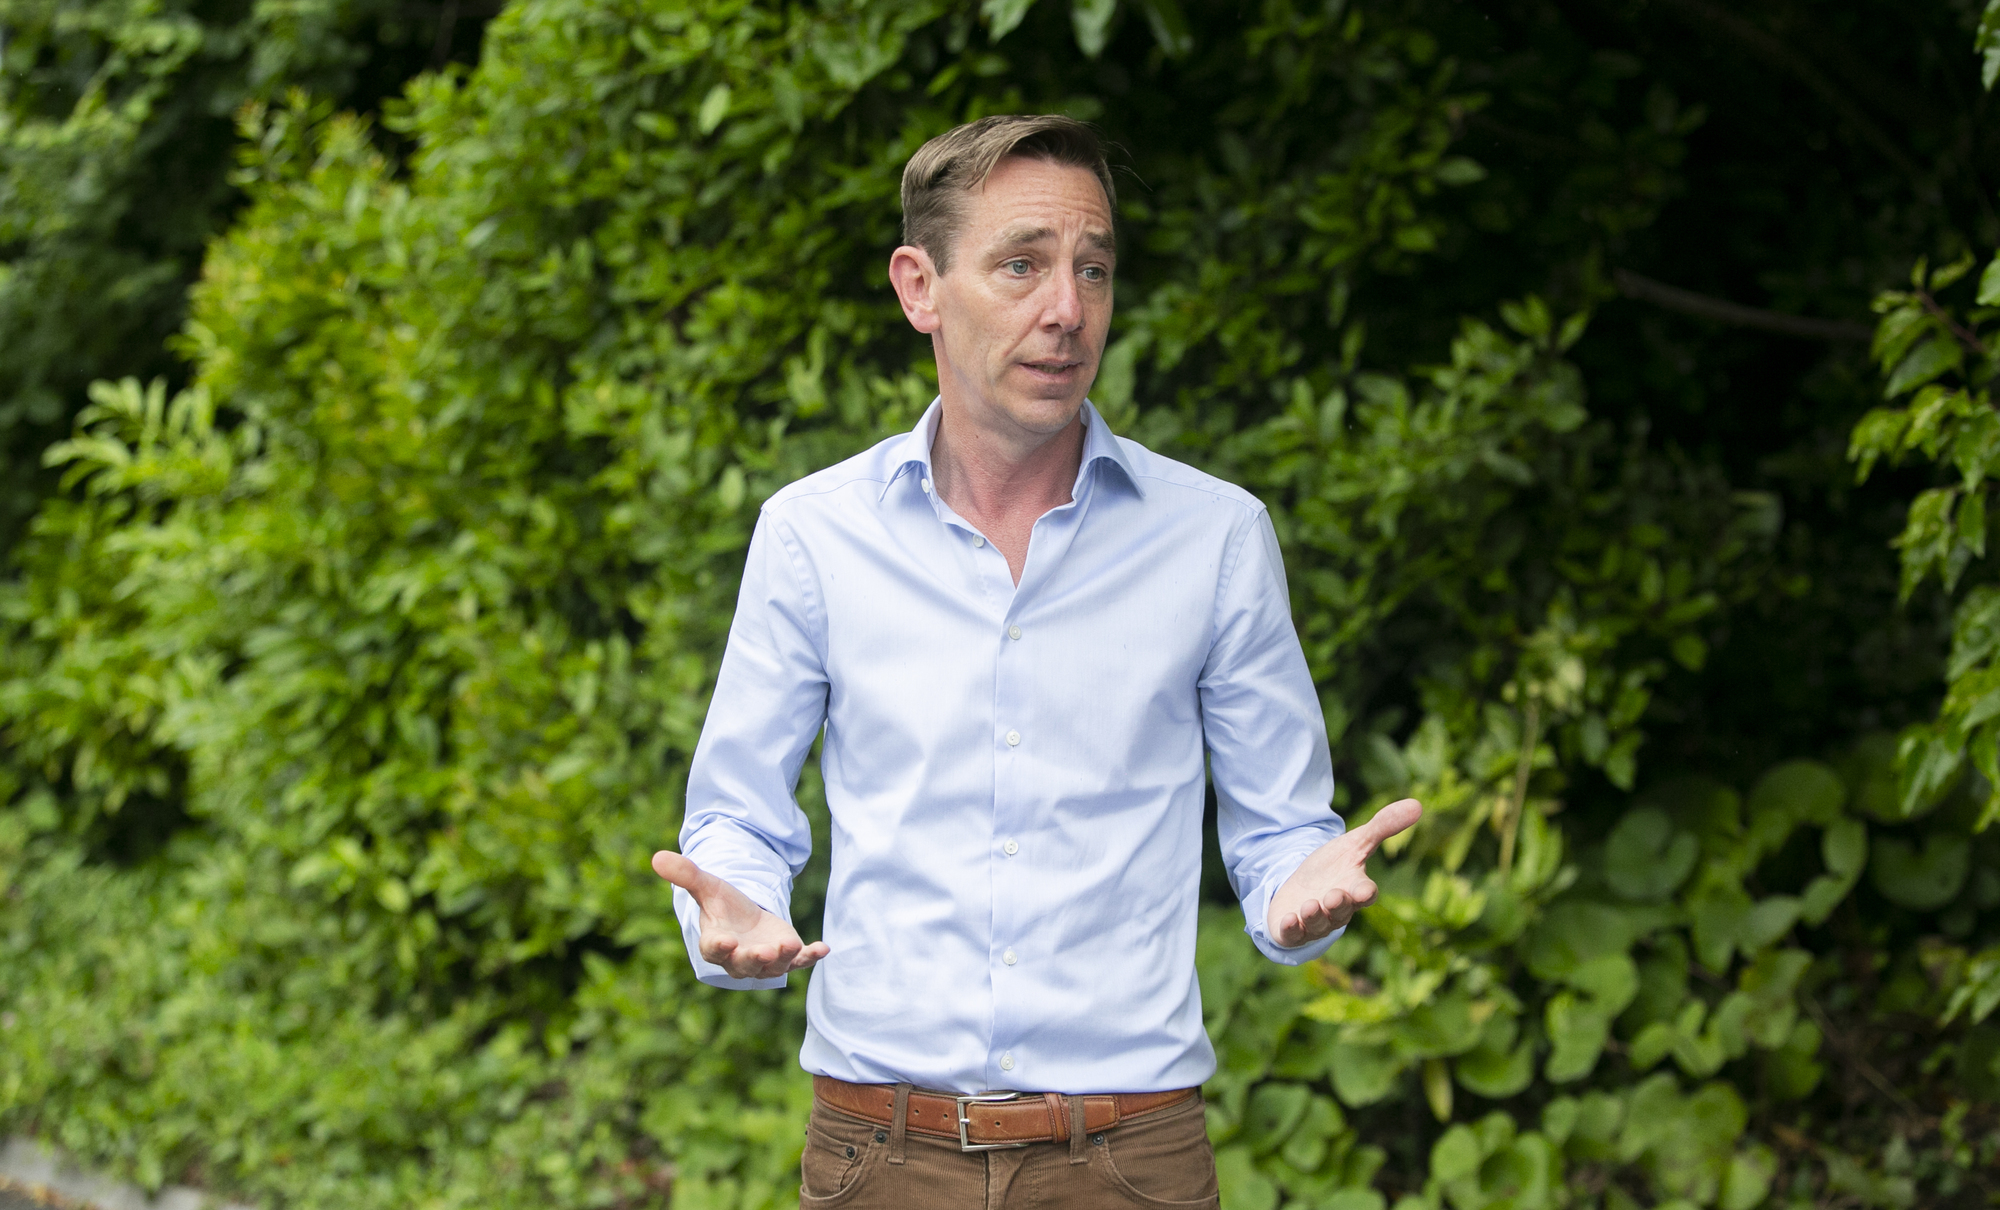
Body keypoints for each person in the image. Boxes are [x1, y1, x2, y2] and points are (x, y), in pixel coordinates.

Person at [653, 114, 1423, 1208]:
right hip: (878, 1152)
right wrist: (730, 906)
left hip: (1130, 1158)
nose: (1067, 309)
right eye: (1021, 264)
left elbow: (1280, 834)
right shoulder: (812, 534)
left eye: (1092, 268)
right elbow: (736, 815)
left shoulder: (1214, 537)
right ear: (919, 288)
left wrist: (1298, 884)